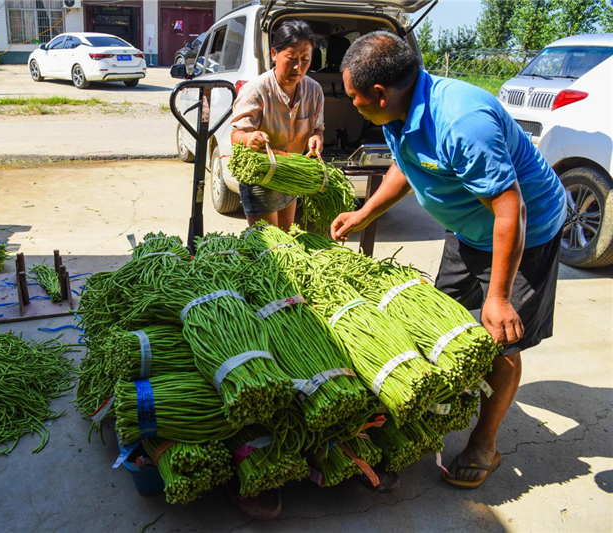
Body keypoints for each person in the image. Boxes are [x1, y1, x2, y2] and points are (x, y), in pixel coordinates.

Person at [330, 32, 566, 489]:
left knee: (498, 339)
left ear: (380, 93)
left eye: (355, 97)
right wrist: (364, 213)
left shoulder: (462, 120)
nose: (352, 104)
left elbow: (509, 209)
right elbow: (405, 165)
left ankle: (484, 443)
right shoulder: (397, 111)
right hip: (470, 231)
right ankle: (439, 414)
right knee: (442, 324)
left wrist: (497, 296)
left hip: (523, 234)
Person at [231, 20, 324, 231]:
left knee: (286, 234)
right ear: (274, 53)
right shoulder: (256, 89)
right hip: (261, 176)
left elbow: (318, 128)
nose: (298, 67)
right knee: (268, 244)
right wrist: (249, 139)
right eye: (291, 59)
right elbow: (237, 134)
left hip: (291, 171)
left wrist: (316, 137)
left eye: (305, 60)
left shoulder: (315, 90)